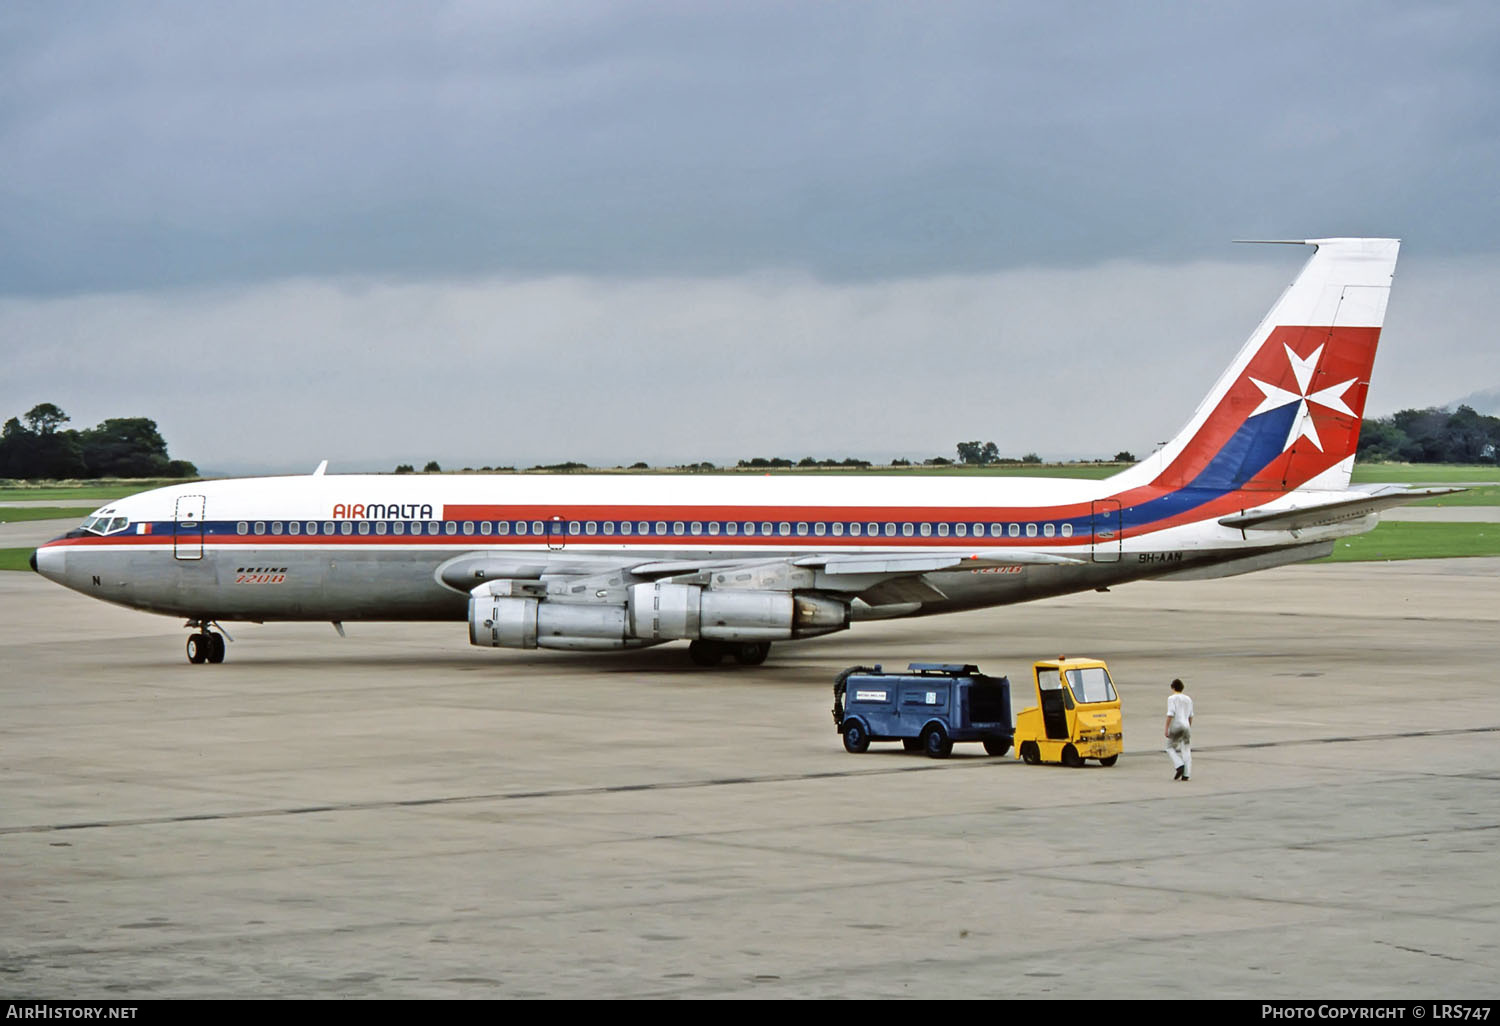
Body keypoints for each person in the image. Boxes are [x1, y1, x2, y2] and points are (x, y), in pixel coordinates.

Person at [1164, 678, 1193, 780]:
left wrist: (1166, 728)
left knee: (1169, 747)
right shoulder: (1188, 699)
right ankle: (1186, 774)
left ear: (1172, 687)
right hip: (1186, 726)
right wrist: (1189, 727)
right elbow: (1190, 716)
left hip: (1176, 726)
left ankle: (1179, 764)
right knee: (1186, 748)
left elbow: (1170, 714)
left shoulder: (1171, 698)